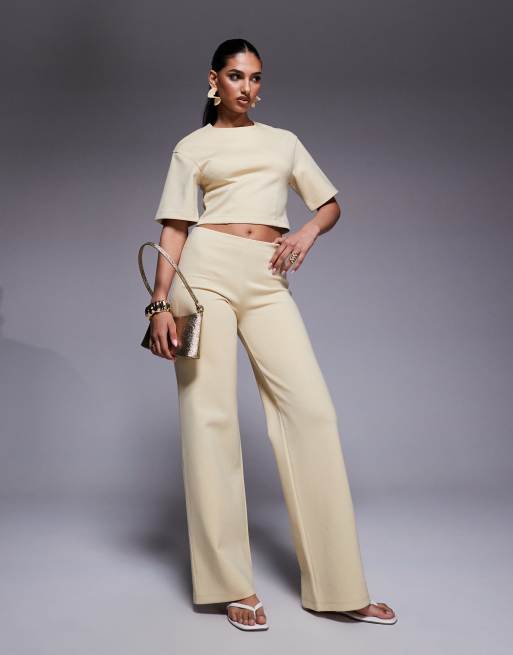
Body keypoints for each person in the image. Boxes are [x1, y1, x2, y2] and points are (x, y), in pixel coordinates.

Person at [147, 38, 397, 631]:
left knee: (311, 412)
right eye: (236, 76)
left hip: (267, 277)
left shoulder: (283, 141)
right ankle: (230, 583)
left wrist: (305, 232)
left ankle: (339, 586)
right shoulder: (192, 147)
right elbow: (176, 227)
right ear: (214, 80)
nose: (248, 87)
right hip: (203, 273)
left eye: (256, 77)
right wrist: (158, 303)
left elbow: (328, 204)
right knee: (210, 419)